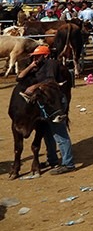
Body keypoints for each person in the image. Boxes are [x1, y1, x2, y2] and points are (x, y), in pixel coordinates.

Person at [17, 45, 75, 174]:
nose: (35, 58)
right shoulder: (37, 66)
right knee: (47, 132)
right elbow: (19, 78)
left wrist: (34, 86)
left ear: (45, 55)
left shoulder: (51, 64)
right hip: (46, 102)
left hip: (55, 102)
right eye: (34, 56)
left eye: (38, 56)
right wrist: (31, 66)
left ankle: (68, 163)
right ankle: (52, 160)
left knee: (59, 133)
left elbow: (50, 81)